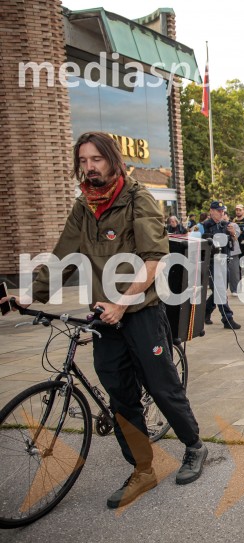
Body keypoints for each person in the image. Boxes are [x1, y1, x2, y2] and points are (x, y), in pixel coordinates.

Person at [2, 132, 207, 509]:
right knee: (120, 396)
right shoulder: (84, 207)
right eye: (83, 161)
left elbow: (152, 260)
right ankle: (142, 469)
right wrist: (28, 296)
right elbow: (62, 257)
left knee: (162, 387)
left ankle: (194, 446)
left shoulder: (138, 199)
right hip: (104, 318)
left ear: (112, 159)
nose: (89, 167)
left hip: (141, 311)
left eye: (96, 159)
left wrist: (122, 303)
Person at [203, 202, 242, 329]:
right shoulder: (205, 226)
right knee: (219, 290)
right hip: (212, 262)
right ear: (211, 211)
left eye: (222, 211)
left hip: (224, 260)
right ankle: (227, 318)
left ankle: (205, 311)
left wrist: (233, 233)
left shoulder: (225, 225)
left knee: (220, 289)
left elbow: (234, 241)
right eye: (218, 211)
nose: (221, 213)